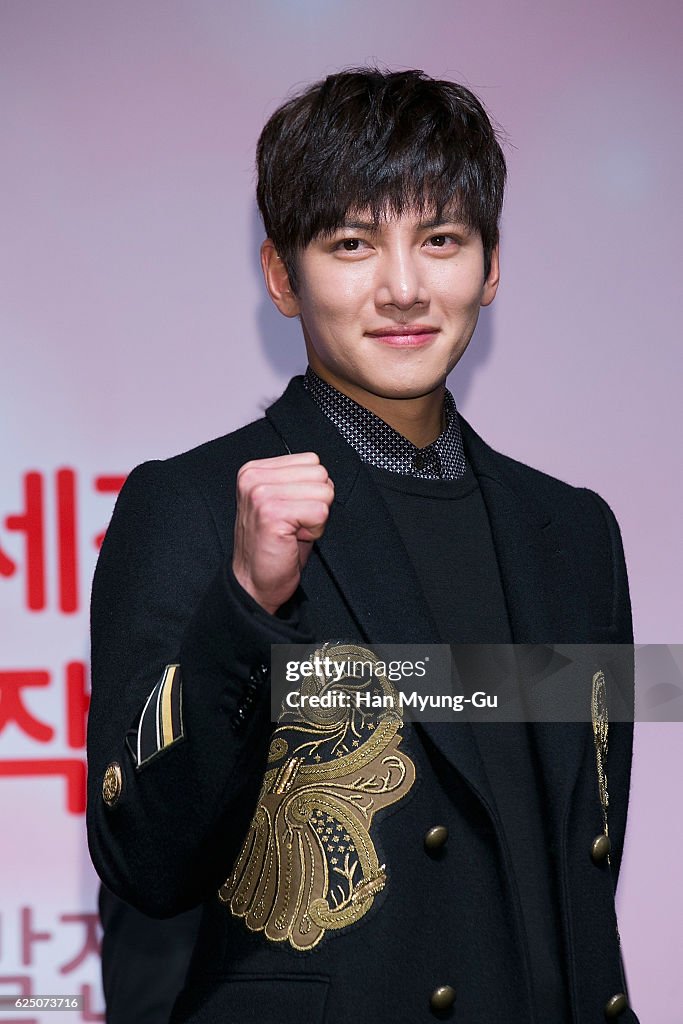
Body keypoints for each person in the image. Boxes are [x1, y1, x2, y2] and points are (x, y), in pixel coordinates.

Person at [87, 68, 638, 1023]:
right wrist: (247, 610)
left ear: (491, 266)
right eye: (351, 243)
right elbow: (145, 859)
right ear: (280, 277)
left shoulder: (574, 533)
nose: (402, 288)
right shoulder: (190, 504)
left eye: (440, 240)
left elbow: (579, 870)